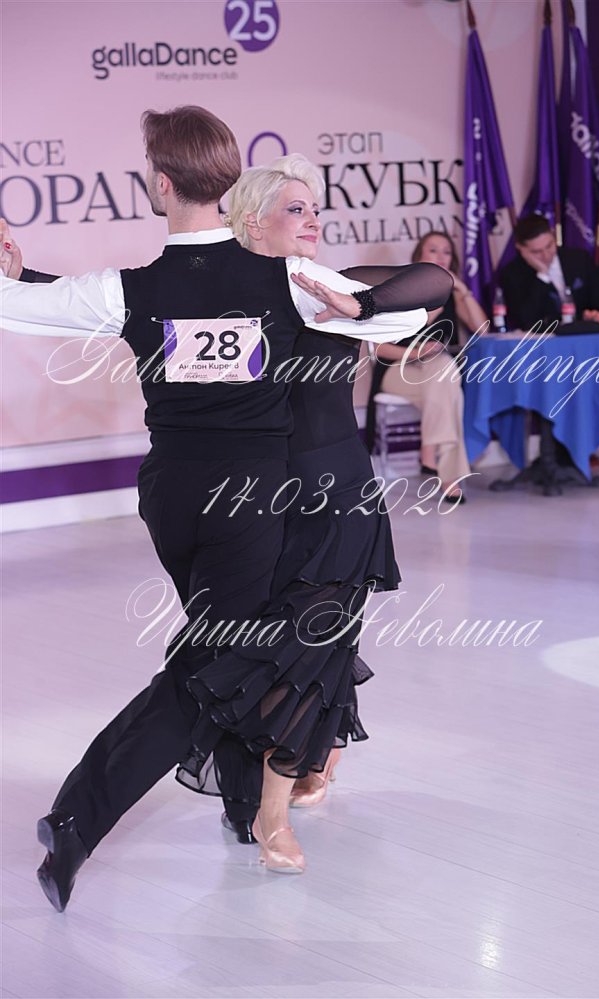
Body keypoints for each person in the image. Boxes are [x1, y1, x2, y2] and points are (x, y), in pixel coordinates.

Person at [0, 105, 433, 909]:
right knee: (213, 668)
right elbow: (412, 310)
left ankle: (241, 804)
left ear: (163, 184)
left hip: (171, 497)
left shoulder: (130, 288)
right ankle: (77, 817)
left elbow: (27, 307)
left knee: (229, 648)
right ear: (227, 183)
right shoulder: (285, 280)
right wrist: (361, 310)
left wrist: (12, 277)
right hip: (249, 500)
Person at [171, 156, 453, 858]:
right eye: (296, 209)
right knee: (293, 644)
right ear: (253, 220)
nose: (314, 220)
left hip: (339, 497)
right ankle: (311, 764)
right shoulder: (225, 299)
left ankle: (275, 814)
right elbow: (124, 312)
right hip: (263, 501)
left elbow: (435, 281)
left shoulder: (330, 287)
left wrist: (362, 309)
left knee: (316, 640)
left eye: (316, 208)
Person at [368, 231, 486, 502]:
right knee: (447, 382)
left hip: (437, 372)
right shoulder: (400, 289)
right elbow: (379, 348)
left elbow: (482, 329)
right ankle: (444, 470)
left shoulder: (453, 294)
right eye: (433, 250)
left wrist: (462, 290)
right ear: (419, 256)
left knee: (443, 372)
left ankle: (434, 459)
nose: (441, 256)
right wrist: (417, 352)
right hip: (398, 369)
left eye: (447, 251)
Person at [498, 213, 599, 331]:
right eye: (536, 252)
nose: (546, 255)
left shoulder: (580, 260)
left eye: (549, 246)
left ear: (553, 234)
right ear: (520, 248)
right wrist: (542, 275)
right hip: (545, 339)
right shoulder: (512, 274)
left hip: (584, 335)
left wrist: (595, 315)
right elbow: (525, 321)